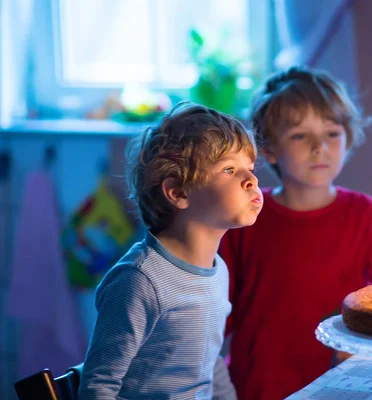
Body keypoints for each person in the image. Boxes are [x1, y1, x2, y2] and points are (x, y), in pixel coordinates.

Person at [219, 67, 372, 400]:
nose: (319, 148)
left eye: (332, 134)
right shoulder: (243, 215)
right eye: (299, 135)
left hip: (343, 385)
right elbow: (215, 312)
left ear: (348, 138)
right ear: (268, 149)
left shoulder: (366, 215)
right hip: (257, 385)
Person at [79, 102, 262, 399]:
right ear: (178, 192)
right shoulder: (139, 281)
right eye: (230, 169)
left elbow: (209, 360)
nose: (252, 180)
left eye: (249, 169)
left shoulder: (218, 270)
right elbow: (99, 386)